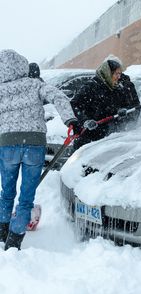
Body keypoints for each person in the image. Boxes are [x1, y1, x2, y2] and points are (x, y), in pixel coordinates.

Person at [0, 49, 80, 250]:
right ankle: (14, 242)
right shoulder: (35, 84)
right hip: (34, 145)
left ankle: (2, 233)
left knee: (6, 193)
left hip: (7, 144)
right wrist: (70, 119)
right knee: (26, 197)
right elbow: (59, 97)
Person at [71, 55, 140, 150]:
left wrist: (124, 112)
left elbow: (127, 106)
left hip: (108, 140)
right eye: (116, 74)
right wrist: (85, 121)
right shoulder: (91, 87)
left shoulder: (116, 88)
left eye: (120, 74)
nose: (119, 77)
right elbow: (74, 105)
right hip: (88, 140)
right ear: (108, 73)